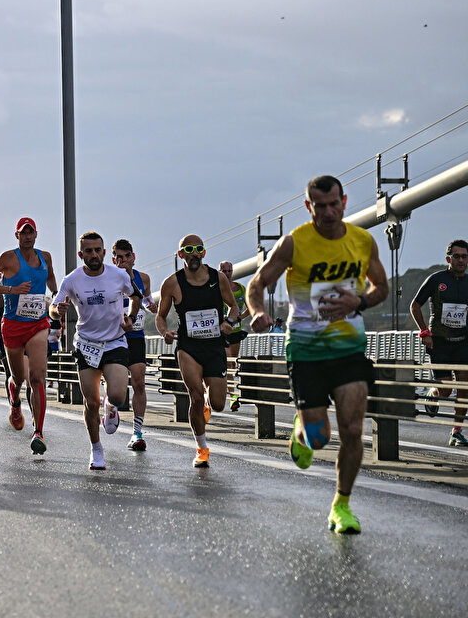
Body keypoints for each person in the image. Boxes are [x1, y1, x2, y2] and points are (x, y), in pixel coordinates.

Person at [247, 174, 388, 534]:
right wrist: (257, 312)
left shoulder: (362, 240)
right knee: (319, 437)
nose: (328, 212)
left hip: (348, 348)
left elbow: (381, 288)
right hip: (306, 351)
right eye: (319, 206)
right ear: (309, 207)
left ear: (344, 201)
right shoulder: (294, 244)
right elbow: (257, 283)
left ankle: (341, 506)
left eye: (334, 204)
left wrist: (358, 302)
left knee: (353, 430)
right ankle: (302, 433)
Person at [52, 231, 139, 471]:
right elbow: (53, 306)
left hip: (114, 341)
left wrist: (130, 317)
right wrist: (56, 312)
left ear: (103, 252)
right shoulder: (71, 280)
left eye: (97, 250)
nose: (94, 255)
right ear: (81, 255)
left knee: (119, 395)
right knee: (91, 401)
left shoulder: (119, 275)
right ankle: (96, 449)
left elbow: (136, 297)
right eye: (88, 251)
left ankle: (111, 408)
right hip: (87, 344)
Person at [156, 236, 241, 469]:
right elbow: (160, 316)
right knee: (193, 395)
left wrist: (229, 322)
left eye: (199, 249)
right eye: (189, 250)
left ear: (204, 253)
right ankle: (202, 449)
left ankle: (206, 401)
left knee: (219, 404)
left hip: (214, 346)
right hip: (188, 347)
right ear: (181, 254)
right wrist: (164, 332)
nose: (194, 253)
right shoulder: (172, 283)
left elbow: (234, 307)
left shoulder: (218, 278)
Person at [0, 217, 58, 454]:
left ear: (36, 234)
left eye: (30, 232)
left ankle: (39, 433)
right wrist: (11, 290)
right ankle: (15, 401)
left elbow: (51, 277)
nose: (27, 237)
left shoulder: (45, 257)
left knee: (37, 378)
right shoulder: (7, 258)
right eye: (23, 233)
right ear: (16, 236)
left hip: (38, 323)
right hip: (12, 325)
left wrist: (56, 295)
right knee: (19, 378)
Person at [410, 239, 468, 446]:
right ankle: (433, 393)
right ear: (448, 259)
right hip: (439, 342)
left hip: (462, 342)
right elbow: (415, 306)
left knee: (465, 388)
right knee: (447, 390)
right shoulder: (436, 279)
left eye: (464, 256)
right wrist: (424, 331)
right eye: (457, 256)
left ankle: (456, 431)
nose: (461, 260)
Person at [112, 239, 153, 451]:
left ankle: (137, 432)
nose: (123, 260)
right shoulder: (109, 278)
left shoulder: (143, 278)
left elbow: (146, 299)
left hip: (136, 335)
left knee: (138, 382)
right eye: (119, 257)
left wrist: (152, 305)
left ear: (133, 257)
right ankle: (110, 408)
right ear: (113, 260)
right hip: (114, 337)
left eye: (127, 256)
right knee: (115, 386)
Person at [219, 260, 252, 410]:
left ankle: (232, 397)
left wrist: (238, 318)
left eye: (229, 271)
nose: (227, 274)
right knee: (226, 362)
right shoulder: (216, 288)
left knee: (232, 364)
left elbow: (250, 308)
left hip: (236, 331)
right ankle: (229, 395)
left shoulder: (240, 288)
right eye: (223, 271)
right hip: (220, 332)